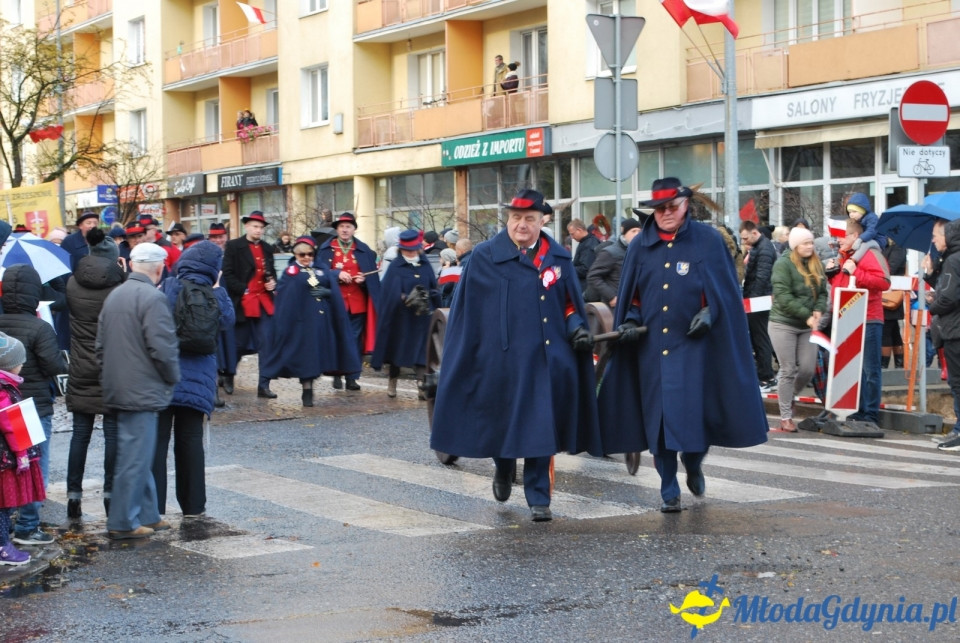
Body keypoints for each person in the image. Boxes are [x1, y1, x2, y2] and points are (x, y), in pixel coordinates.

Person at [597, 178, 768, 513]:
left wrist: (711, 311)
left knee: (693, 418)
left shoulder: (707, 241)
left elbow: (724, 291)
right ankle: (667, 486)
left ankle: (693, 461)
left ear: (686, 204)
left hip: (695, 348)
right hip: (652, 350)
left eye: (671, 207)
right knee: (659, 422)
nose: (665, 214)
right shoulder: (640, 246)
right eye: (659, 209)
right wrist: (629, 320)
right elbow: (631, 297)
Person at [431, 189, 600, 521]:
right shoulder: (484, 257)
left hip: (546, 359)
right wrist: (468, 358)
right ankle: (503, 465)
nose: (522, 225)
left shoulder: (558, 257)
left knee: (540, 425)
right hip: (501, 360)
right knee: (503, 423)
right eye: (516, 218)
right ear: (508, 220)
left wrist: (577, 324)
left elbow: (568, 303)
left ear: (543, 221)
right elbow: (468, 313)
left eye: (530, 219)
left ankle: (539, 498)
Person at [98, 242, 180, 539]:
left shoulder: (115, 296)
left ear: (132, 265)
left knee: (139, 453)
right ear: (159, 268)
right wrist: (172, 378)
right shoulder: (152, 298)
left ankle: (147, 514)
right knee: (135, 456)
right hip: (142, 389)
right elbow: (163, 348)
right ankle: (122, 521)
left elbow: (100, 346)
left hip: (120, 386)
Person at [153, 241, 234, 518]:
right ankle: (194, 506)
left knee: (158, 444)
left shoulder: (168, 287)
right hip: (198, 380)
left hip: (165, 377)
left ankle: (156, 506)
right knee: (190, 441)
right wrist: (218, 288)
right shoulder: (215, 293)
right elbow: (228, 321)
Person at [0, 265, 67, 546]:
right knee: (36, 465)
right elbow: (54, 365)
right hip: (33, 407)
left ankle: (9, 521)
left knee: (11, 466)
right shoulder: (40, 327)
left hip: (4, 406)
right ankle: (28, 525)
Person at [65, 228, 125, 520]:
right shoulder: (119, 288)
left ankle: (73, 496)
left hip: (80, 366)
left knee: (80, 435)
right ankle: (110, 496)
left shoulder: (72, 285)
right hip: (111, 368)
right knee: (112, 435)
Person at [260, 236, 360, 407]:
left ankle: (317, 384)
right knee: (305, 356)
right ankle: (307, 390)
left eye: (310, 254)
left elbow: (332, 286)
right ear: (296, 255)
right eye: (302, 255)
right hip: (301, 323)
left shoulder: (321, 268)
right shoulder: (291, 272)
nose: (306, 258)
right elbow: (285, 298)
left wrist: (328, 292)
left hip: (321, 322)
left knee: (317, 355)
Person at [829, 218, 890, 424]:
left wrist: (857, 272)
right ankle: (859, 409)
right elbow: (843, 287)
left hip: (869, 317)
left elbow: (884, 281)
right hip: (849, 318)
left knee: (870, 369)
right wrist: (833, 275)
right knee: (855, 368)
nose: (839, 240)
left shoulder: (870, 254)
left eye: (842, 235)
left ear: (855, 236)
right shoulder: (845, 257)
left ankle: (871, 413)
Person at [769, 227, 828, 432]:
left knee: (807, 369)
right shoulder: (783, 264)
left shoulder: (815, 263)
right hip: (782, 323)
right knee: (788, 369)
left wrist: (819, 309)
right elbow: (783, 297)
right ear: (795, 246)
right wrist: (807, 315)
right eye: (806, 243)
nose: (810, 247)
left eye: (811, 243)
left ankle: (788, 396)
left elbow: (822, 291)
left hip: (807, 325)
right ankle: (786, 417)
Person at [371, 230, 440, 399]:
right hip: (401, 318)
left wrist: (428, 295)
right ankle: (392, 380)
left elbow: (434, 287)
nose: (411, 253)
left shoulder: (424, 265)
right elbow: (388, 292)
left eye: (414, 249)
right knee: (398, 352)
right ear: (401, 250)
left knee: (422, 351)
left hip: (422, 317)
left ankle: (421, 384)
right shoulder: (395, 267)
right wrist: (403, 297)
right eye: (407, 250)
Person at [317, 212, 381, 391]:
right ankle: (336, 373)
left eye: (348, 227)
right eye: (342, 227)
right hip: (334, 302)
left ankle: (352, 376)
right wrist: (336, 274)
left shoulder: (364, 250)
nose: (345, 230)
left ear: (354, 229)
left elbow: (372, 277)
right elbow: (318, 273)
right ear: (337, 229)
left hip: (357, 303)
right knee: (337, 339)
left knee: (354, 341)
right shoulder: (325, 249)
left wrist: (363, 280)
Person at [221, 211, 278, 399]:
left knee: (266, 344)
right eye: (255, 226)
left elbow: (271, 273)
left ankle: (264, 385)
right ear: (247, 226)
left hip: (263, 301)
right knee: (238, 344)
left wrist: (272, 283)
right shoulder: (234, 246)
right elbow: (228, 274)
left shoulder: (268, 248)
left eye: (261, 227)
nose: (258, 230)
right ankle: (228, 375)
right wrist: (243, 289)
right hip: (243, 302)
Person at [0, 333, 45, 566]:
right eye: (19, 362)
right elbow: (10, 427)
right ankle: (2, 548)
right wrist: (22, 455)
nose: (22, 365)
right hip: (4, 459)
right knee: (3, 505)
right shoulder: (3, 390)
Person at [924, 220, 960, 450]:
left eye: (936, 235)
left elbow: (948, 297)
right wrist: (930, 274)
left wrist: (933, 304)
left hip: (956, 330)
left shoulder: (954, 260)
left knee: (957, 383)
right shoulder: (952, 259)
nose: (934, 240)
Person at [740, 220, 778, 392]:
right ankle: (765, 374)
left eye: (746, 238)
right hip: (756, 299)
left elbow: (762, 277)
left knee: (760, 337)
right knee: (759, 337)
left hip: (758, 301)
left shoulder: (764, 249)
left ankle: (766, 376)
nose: (745, 242)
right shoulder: (760, 247)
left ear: (755, 233)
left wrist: (752, 301)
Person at [585, 217, 641, 306]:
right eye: (633, 231)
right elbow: (593, 276)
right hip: (616, 307)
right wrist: (611, 296)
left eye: (639, 231)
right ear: (624, 234)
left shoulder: (639, 252)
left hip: (635, 304)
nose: (637, 234)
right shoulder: (610, 252)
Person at [882, 238, 907, 370]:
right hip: (889, 293)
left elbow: (891, 268)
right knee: (893, 331)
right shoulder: (888, 247)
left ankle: (884, 364)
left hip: (891, 294)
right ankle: (898, 363)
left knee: (887, 329)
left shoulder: (898, 247)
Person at [846, 192, 886, 257]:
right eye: (849, 212)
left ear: (862, 211)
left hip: (877, 241)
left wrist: (860, 239)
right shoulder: (858, 220)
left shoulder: (872, 218)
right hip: (865, 239)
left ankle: (854, 259)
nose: (851, 214)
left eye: (854, 212)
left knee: (865, 245)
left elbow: (872, 231)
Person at [567, 218, 600, 297]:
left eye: (572, 234)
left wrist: (567, 268)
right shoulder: (585, 242)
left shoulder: (589, 244)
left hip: (586, 288)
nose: (572, 237)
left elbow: (585, 269)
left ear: (579, 230)